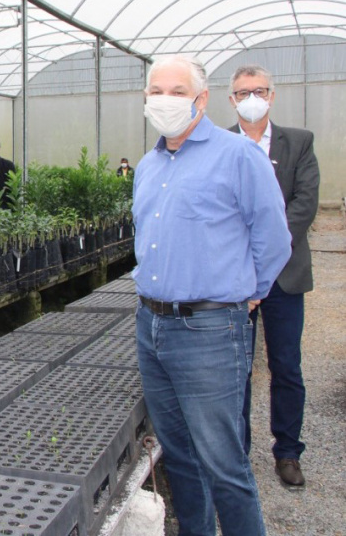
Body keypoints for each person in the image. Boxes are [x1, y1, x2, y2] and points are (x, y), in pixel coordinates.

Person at [133, 55, 291, 536]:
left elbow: (275, 239)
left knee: (223, 462)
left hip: (208, 328)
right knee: (179, 454)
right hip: (151, 325)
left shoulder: (238, 156)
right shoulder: (147, 165)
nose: (165, 100)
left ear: (201, 99)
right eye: (156, 91)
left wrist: (247, 294)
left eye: (178, 92)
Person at [228, 64, 320, 489]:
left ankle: (287, 451)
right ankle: (238, 450)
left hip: (284, 275)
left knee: (286, 366)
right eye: (244, 92)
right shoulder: (220, 144)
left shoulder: (298, 142)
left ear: (272, 95)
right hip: (235, 278)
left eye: (259, 90)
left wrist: (268, 249)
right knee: (236, 367)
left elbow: (304, 202)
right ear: (231, 99)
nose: (252, 98)